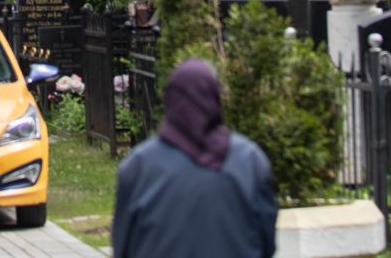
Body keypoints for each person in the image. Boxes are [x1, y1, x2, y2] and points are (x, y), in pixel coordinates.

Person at [112, 58, 277, 258]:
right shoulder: (249, 160)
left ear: (170, 100)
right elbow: (266, 240)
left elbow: (123, 245)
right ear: (214, 98)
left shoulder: (139, 165)